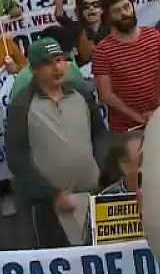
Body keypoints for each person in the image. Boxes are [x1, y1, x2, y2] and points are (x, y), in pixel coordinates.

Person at [7, 37, 107, 248]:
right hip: (50, 207)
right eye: (48, 63)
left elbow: (100, 135)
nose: (57, 68)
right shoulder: (21, 105)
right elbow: (17, 158)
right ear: (34, 70)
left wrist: (101, 170)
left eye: (60, 60)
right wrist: (52, 194)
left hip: (92, 197)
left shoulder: (82, 94)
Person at [92, 0, 160, 134]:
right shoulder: (102, 51)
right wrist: (139, 118)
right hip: (126, 129)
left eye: (126, 7)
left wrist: (157, 108)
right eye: (117, 11)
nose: (124, 13)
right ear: (109, 16)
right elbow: (106, 95)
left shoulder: (154, 36)